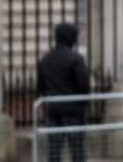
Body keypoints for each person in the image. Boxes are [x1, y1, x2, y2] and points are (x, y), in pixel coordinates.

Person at [37, 22, 90, 162]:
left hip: (54, 110)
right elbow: (84, 86)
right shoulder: (76, 59)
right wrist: (83, 104)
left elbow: (40, 87)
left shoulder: (46, 59)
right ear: (71, 38)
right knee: (77, 149)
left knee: (54, 150)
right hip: (74, 110)